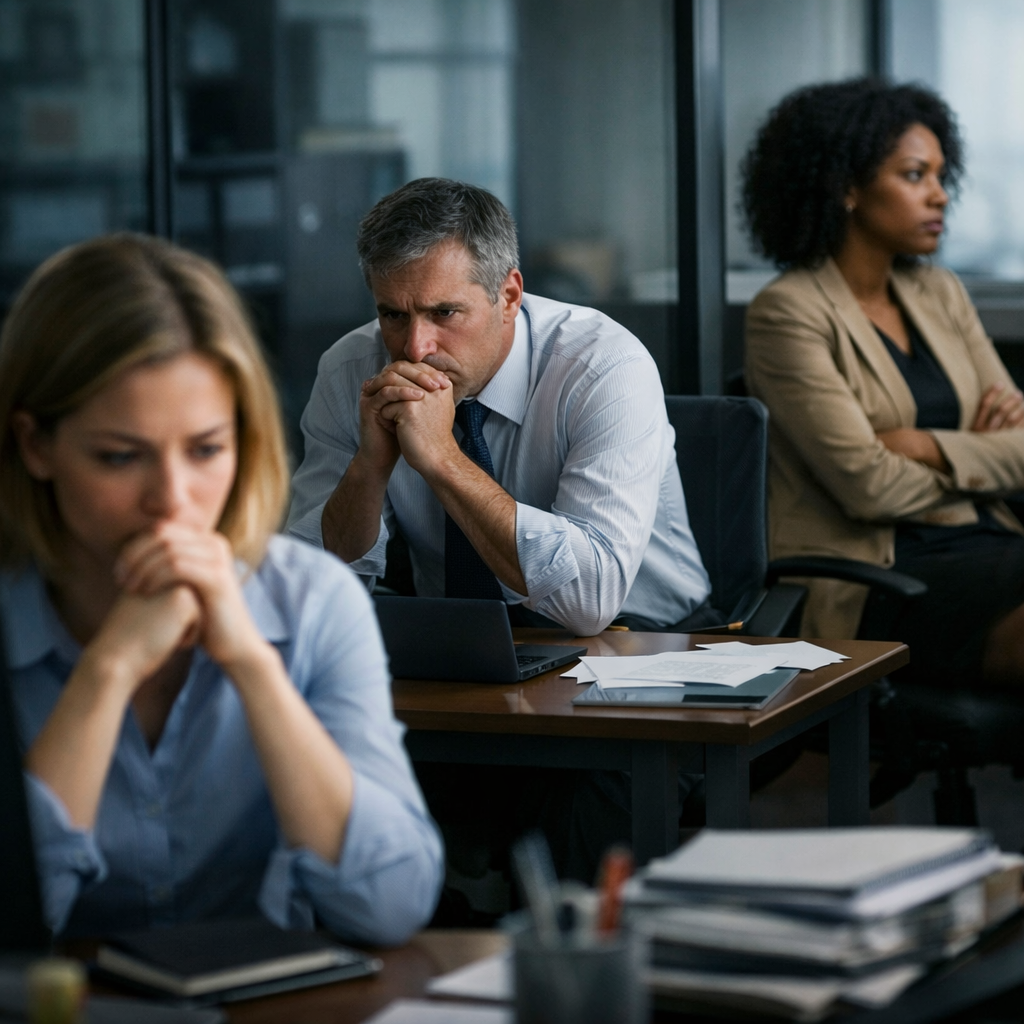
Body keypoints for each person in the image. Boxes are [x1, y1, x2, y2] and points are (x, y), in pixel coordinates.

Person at [0, 233, 443, 941]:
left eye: (207, 449)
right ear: (36, 446)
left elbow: (391, 907)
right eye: (120, 456)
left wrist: (250, 662)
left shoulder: (313, 601)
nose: (173, 500)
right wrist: (107, 673)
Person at [286, 177, 711, 636]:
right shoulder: (351, 369)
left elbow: (589, 601)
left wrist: (444, 460)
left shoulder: (604, 366)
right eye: (393, 315)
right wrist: (368, 468)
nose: (415, 347)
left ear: (508, 297)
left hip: (648, 643)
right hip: (463, 644)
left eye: (444, 313)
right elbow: (309, 594)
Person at [743, 78, 1024, 688]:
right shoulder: (788, 311)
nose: (940, 196)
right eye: (915, 175)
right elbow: (867, 486)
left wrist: (920, 445)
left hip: (985, 544)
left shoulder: (940, 292)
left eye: (941, 177)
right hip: (877, 575)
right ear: (847, 186)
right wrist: (978, 454)